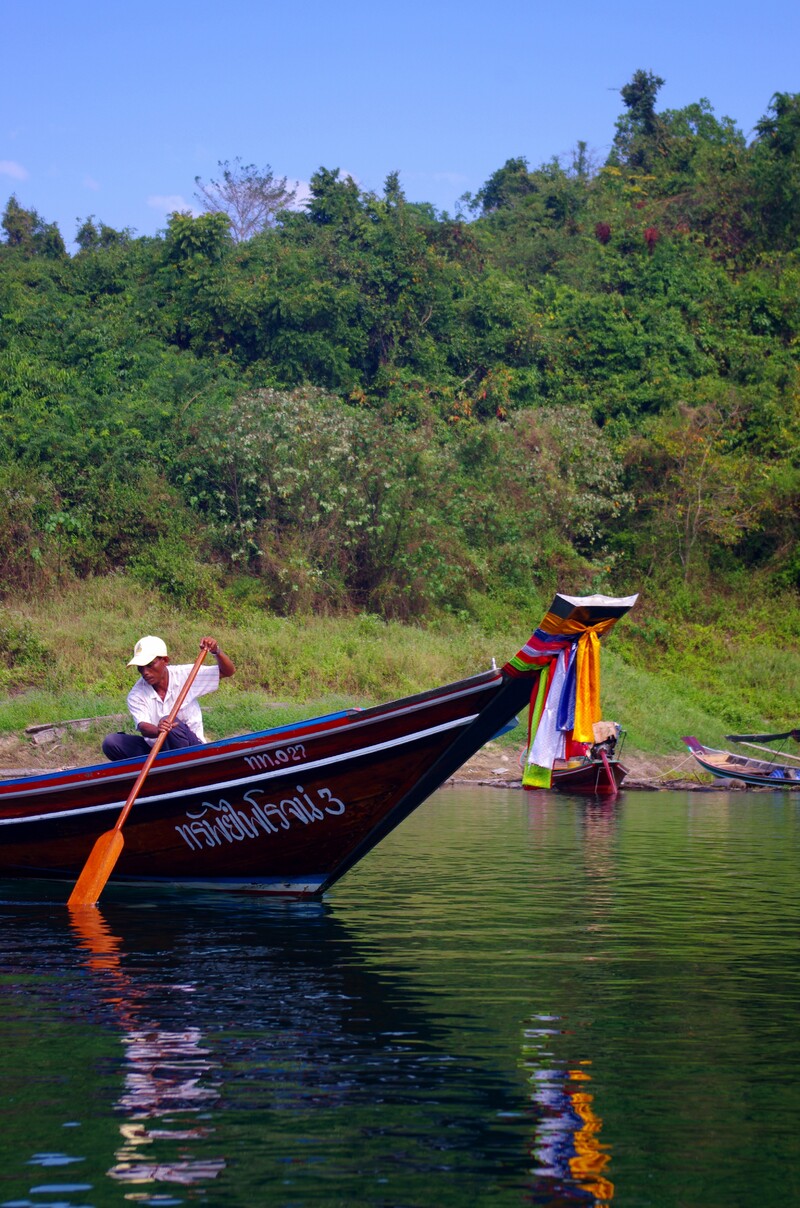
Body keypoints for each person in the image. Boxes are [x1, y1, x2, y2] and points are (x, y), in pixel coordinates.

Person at [102, 635, 235, 761]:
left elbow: (227, 671)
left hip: (192, 749)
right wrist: (158, 730)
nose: (145, 673)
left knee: (170, 722)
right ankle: (157, 774)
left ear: (165, 660)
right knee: (112, 742)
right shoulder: (136, 694)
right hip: (158, 752)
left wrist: (216, 651)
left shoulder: (186, 675)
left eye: (150, 665)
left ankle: (186, 768)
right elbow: (143, 726)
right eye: (140, 668)